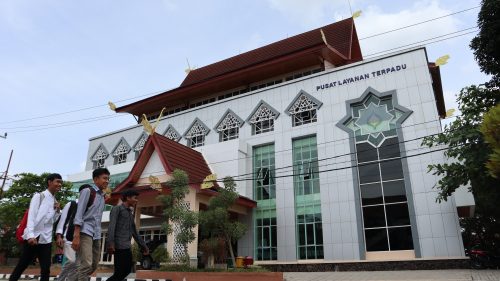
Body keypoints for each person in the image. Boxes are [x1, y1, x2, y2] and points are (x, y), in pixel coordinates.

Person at [9, 173, 62, 281]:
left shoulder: (55, 201)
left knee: (46, 268)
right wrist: (30, 235)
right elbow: (31, 216)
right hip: (34, 237)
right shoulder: (39, 196)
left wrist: (57, 212)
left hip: (46, 239)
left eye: (61, 182)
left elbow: (51, 221)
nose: (59, 184)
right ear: (50, 182)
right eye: (57, 181)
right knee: (23, 264)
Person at [71, 168, 110, 281]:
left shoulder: (102, 197)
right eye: (104, 178)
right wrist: (76, 235)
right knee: (86, 264)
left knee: (94, 265)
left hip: (96, 233)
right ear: (96, 179)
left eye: (108, 179)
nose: (107, 181)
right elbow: (79, 214)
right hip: (85, 231)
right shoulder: (87, 191)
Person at [106, 190, 149, 281]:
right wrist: (110, 243)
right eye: (135, 198)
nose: (136, 200)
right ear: (128, 198)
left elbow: (135, 232)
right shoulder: (117, 209)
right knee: (119, 272)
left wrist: (144, 246)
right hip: (118, 246)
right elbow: (111, 226)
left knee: (127, 270)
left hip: (126, 246)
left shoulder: (130, 213)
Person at [55, 184, 91, 281]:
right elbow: (63, 220)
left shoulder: (89, 207)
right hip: (69, 237)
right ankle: (61, 279)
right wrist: (59, 236)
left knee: (78, 264)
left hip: (82, 239)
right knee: (72, 261)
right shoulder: (72, 204)